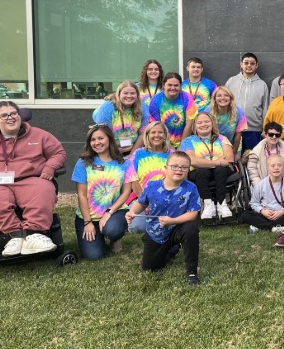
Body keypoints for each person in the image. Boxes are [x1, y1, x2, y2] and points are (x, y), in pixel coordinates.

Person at [0, 101, 67, 257]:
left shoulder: (39, 134)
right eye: (4, 115)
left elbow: (59, 153)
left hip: (31, 178)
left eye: (14, 113)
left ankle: (34, 234)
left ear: (20, 116)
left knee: (43, 189)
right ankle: (15, 236)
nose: (10, 118)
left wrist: (49, 167)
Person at [125, 151, 202, 285]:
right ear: (166, 168)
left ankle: (191, 272)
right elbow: (141, 203)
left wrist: (172, 221)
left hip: (178, 228)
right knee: (150, 268)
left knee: (191, 228)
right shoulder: (152, 186)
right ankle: (172, 249)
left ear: (188, 170)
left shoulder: (191, 188)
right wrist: (131, 212)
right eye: (175, 166)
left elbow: (193, 214)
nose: (179, 169)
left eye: (184, 167)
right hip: (156, 232)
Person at [72, 124, 137, 260]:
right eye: (93, 140)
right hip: (89, 217)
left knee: (113, 230)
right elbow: (82, 195)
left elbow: (126, 192)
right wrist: (87, 222)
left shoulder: (124, 163)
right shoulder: (84, 163)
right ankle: (98, 234)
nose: (97, 143)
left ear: (109, 139)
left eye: (100, 138)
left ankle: (114, 237)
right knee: (94, 256)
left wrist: (109, 212)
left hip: (114, 212)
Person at [180, 111, 234, 221]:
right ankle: (208, 204)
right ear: (195, 126)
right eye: (199, 122)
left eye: (206, 121)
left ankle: (221, 203)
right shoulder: (188, 141)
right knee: (202, 172)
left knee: (220, 170)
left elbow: (229, 159)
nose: (203, 124)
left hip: (221, 171)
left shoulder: (222, 139)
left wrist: (206, 163)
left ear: (212, 123)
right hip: (199, 172)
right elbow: (192, 161)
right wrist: (218, 162)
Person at [128, 121, 173, 233]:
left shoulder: (172, 154)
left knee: (168, 225)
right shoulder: (138, 153)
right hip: (141, 198)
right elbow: (133, 180)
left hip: (166, 199)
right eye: (153, 132)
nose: (156, 135)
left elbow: (176, 180)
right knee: (136, 228)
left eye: (160, 132)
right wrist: (145, 201)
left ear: (165, 135)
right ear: (147, 135)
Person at [240, 154, 284, 233]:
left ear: (283, 168)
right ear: (268, 168)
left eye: (279, 165)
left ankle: (260, 225)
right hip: (266, 214)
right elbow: (254, 203)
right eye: (273, 166)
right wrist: (262, 211)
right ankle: (273, 228)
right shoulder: (261, 185)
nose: (276, 168)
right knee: (245, 214)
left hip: (282, 214)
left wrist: (282, 211)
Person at [225, 52, 270, 150]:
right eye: (246, 63)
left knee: (253, 159)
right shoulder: (231, 81)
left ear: (256, 66)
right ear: (241, 64)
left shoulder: (262, 85)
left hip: (254, 130)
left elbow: (265, 109)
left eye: (252, 63)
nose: (249, 65)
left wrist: (265, 129)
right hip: (233, 129)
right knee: (234, 160)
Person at [92, 80, 143, 155]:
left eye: (132, 93)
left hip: (133, 150)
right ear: (118, 94)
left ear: (137, 95)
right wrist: (118, 151)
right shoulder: (108, 107)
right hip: (108, 151)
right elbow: (102, 134)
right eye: (125, 93)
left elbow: (143, 133)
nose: (129, 96)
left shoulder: (142, 108)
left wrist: (131, 155)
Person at [149, 72, 198, 149]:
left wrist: (181, 146)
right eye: (169, 85)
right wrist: (168, 146)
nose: (173, 88)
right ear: (164, 85)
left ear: (180, 86)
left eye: (176, 85)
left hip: (185, 139)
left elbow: (189, 124)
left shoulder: (187, 98)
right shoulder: (155, 100)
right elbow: (156, 127)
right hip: (162, 141)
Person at [247, 121, 284, 188]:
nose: (274, 137)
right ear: (265, 135)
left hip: (282, 188)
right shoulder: (256, 152)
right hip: (262, 187)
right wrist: (261, 188)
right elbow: (254, 175)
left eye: (277, 135)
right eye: (271, 134)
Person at [209, 86, 247, 155]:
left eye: (226, 95)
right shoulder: (208, 111)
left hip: (232, 145)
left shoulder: (239, 113)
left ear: (230, 98)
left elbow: (238, 136)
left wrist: (233, 153)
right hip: (212, 146)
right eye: (219, 96)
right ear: (214, 98)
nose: (222, 98)